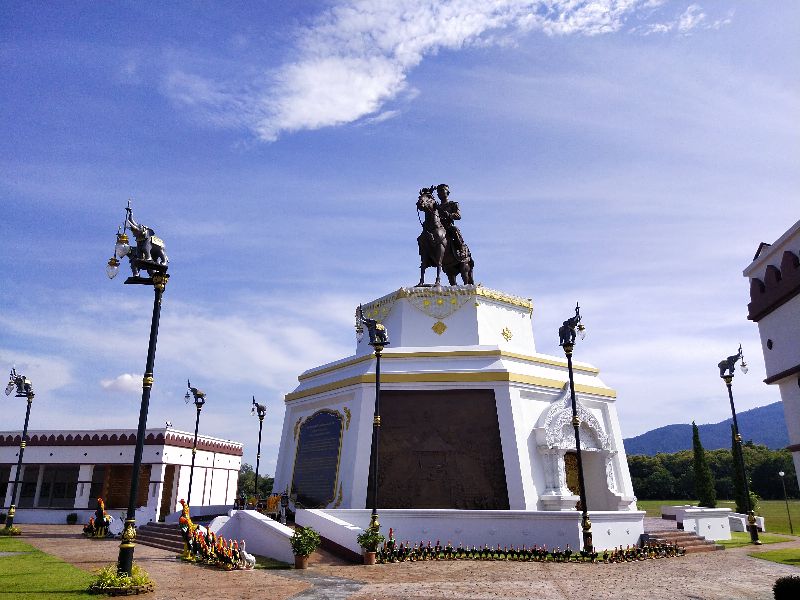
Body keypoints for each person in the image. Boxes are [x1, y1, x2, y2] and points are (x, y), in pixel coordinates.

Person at [435, 184, 468, 261]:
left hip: (448, 226)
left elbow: (458, 216)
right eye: (438, 192)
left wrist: (449, 215)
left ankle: (461, 249)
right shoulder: (437, 207)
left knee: (455, 230)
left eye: (442, 191)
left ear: (448, 193)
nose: (440, 193)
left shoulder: (453, 204)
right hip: (438, 227)